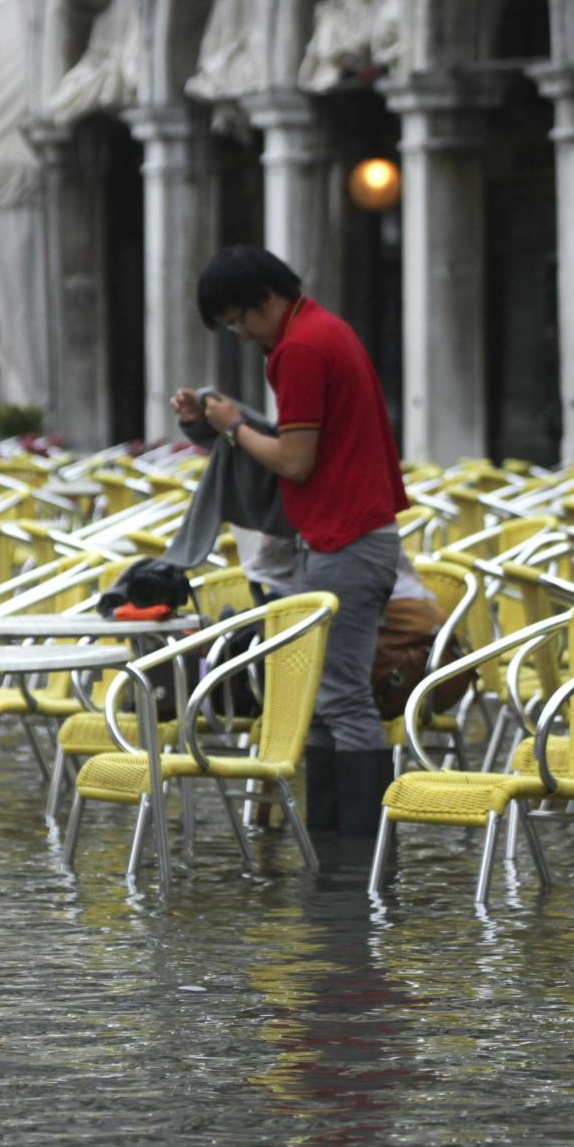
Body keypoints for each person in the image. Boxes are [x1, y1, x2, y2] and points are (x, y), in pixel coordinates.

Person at [170, 245, 408, 844]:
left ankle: (361, 854)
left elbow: (295, 460)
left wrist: (230, 425)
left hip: (345, 541)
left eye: (240, 320)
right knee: (326, 701)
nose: (242, 335)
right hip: (346, 538)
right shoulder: (323, 331)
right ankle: (333, 845)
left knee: (343, 699)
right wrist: (213, 422)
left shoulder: (301, 348)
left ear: (266, 300)